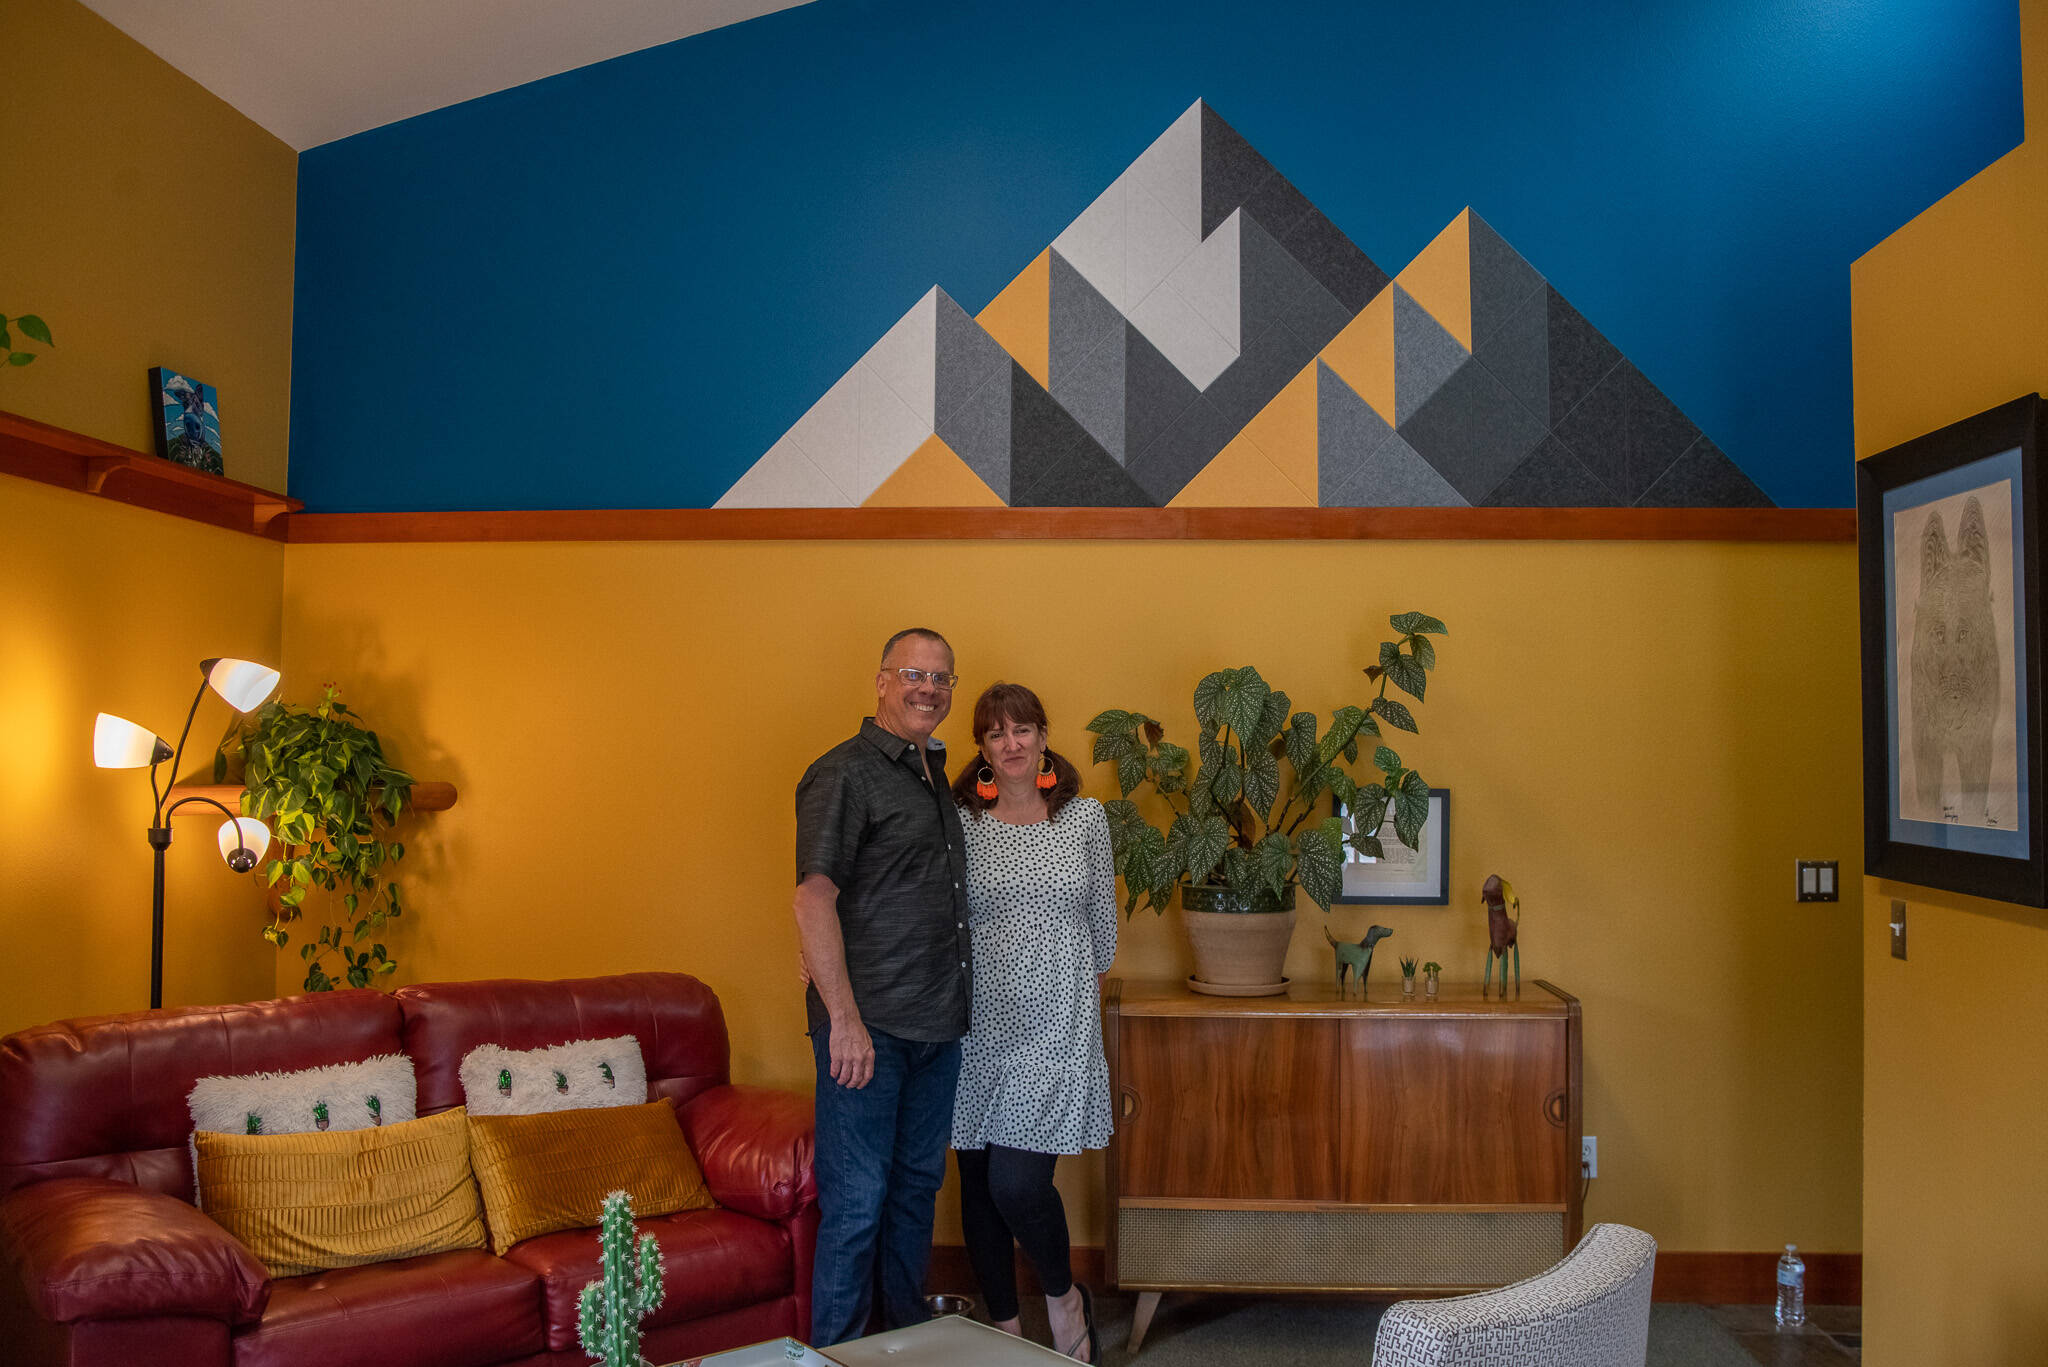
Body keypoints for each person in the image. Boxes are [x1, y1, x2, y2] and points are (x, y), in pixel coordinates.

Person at [793, 629, 973, 1346]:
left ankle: (901, 1348)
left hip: (937, 1027)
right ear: (880, 681)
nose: (928, 688)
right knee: (858, 1205)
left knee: (912, 1200)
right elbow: (813, 898)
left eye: (941, 678)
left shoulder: (932, 775)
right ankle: (836, 1354)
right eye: (913, 674)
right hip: (868, 1032)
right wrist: (843, 1018)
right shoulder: (843, 773)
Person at [946, 682, 1116, 1363]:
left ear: (1044, 736)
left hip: (1055, 1028)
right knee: (980, 1188)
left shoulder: (1083, 818)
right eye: (995, 733)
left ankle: (1064, 1298)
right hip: (975, 1026)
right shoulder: (962, 820)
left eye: (1022, 730)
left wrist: (1071, 994)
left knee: (1017, 1183)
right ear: (982, 748)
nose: (1011, 743)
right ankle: (1007, 1337)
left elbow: (1103, 930)